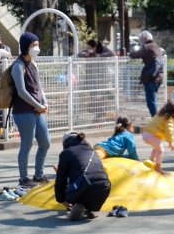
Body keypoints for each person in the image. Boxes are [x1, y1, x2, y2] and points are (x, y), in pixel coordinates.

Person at [11, 32, 51, 188]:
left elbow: (39, 87)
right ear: (25, 46)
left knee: (45, 143)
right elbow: (21, 91)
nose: (36, 48)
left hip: (37, 110)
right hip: (23, 111)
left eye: (37, 44)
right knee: (27, 145)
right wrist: (38, 105)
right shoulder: (18, 65)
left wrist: (44, 103)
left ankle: (38, 175)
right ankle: (23, 178)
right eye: (33, 45)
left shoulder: (33, 64)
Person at [55, 132, 111, 221]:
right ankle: (90, 209)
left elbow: (61, 179)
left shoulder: (66, 153)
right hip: (104, 186)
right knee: (91, 182)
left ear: (65, 143)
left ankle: (78, 203)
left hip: (84, 186)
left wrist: (61, 199)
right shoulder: (92, 152)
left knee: (76, 182)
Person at [130, 30, 164, 116]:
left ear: (144, 38)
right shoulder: (156, 46)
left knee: (150, 102)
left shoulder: (146, 47)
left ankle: (156, 121)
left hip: (150, 77)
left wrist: (133, 50)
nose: (140, 41)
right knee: (153, 100)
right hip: (159, 77)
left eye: (140, 39)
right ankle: (157, 119)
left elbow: (134, 55)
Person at [142, 102, 174, 172]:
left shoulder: (160, 114)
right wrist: (170, 142)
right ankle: (158, 167)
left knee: (156, 148)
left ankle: (151, 161)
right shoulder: (169, 119)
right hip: (151, 135)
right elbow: (169, 131)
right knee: (160, 150)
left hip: (146, 133)